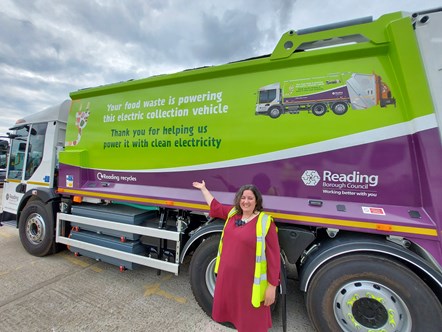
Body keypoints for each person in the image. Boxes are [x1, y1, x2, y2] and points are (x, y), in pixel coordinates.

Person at [192, 180, 280, 332]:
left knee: (251, 323)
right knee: (233, 317)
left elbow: (273, 257)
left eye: (250, 198)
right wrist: (204, 189)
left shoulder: (265, 222)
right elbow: (215, 207)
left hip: (248, 283)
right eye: (243, 198)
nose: (246, 201)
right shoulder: (233, 214)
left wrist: (272, 286)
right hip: (228, 279)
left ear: (256, 201)